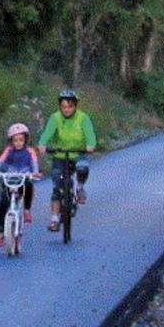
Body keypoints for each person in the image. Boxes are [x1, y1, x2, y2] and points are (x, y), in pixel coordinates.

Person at [37, 89, 96, 232]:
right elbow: (47, 133)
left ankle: (80, 187)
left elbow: (90, 134)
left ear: (75, 106)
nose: (67, 110)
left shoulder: (83, 118)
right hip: (59, 154)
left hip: (77, 154)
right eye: (63, 106)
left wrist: (90, 145)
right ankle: (55, 218)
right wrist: (42, 144)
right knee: (57, 185)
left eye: (70, 106)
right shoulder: (55, 118)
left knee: (83, 168)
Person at [0, 122, 41, 248]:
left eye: (21, 140)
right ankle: (1, 232)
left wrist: (35, 173)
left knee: (29, 186)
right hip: (10, 179)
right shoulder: (8, 151)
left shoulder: (30, 151)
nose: (18, 143)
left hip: (23, 178)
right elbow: (0, 161)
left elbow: (34, 163)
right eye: (15, 140)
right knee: (2, 205)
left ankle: (27, 210)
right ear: (11, 141)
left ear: (25, 140)